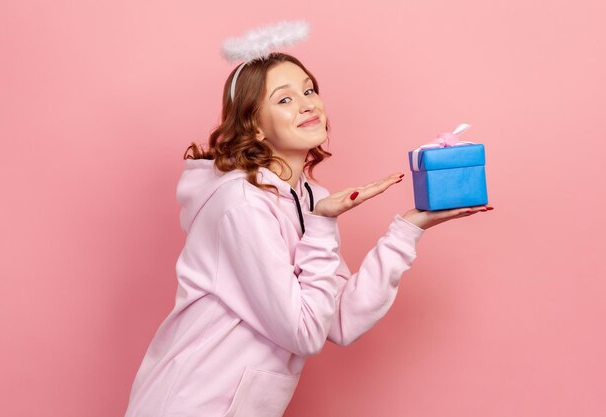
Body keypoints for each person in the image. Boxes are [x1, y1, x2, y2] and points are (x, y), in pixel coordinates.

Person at [124, 52, 493, 417]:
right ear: (254, 125)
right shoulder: (241, 203)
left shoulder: (308, 196)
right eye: (285, 99)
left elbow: (342, 320)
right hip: (192, 401)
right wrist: (322, 225)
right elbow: (303, 333)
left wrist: (407, 230)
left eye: (309, 90)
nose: (307, 105)